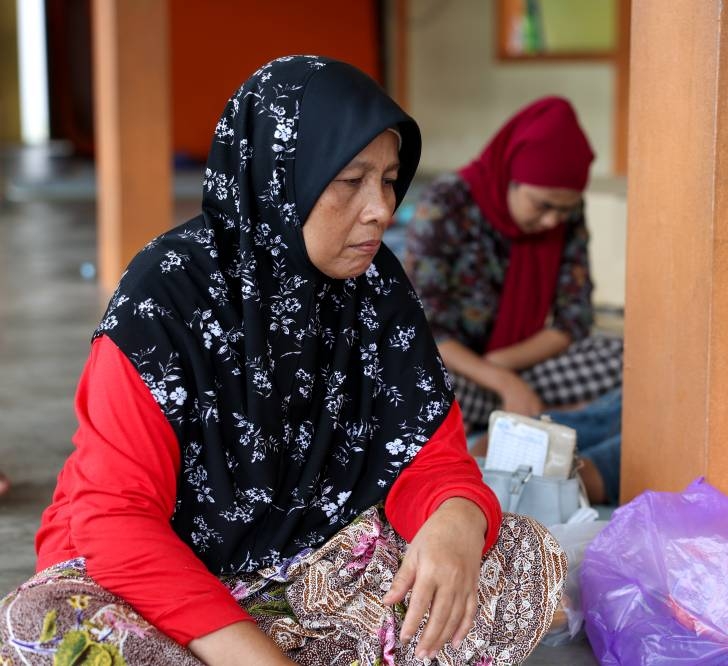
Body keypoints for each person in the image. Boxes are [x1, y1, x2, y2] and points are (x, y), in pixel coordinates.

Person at [0, 56, 565, 666]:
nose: (381, 208)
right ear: (279, 175)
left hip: (303, 575)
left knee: (512, 554)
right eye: (350, 180)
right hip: (152, 582)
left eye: (389, 178)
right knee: (51, 628)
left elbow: (431, 457)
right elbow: (116, 520)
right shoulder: (166, 296)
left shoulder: (376, 289)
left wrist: (455, 518)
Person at [403, 98, 622, 501]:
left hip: (522, 361)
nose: (554, 221)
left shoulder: (565, 214)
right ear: (512, 177)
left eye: (565, 210)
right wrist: (500, 381)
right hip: (456, 366)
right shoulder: (447, 203)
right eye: (544, 207)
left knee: (629, 361)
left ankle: (513, 431)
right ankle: (533, 428)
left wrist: (505, 369)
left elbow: (573, 319)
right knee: (415, 386)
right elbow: (424, 324)